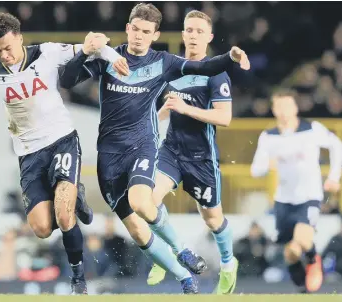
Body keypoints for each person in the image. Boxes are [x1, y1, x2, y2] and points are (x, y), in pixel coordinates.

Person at [60, 3, 250, 294]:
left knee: (164, 207)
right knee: (140, 222)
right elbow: (67, 80)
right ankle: (184, 275)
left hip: (164, 150)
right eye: (134, 29)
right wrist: (86, 50)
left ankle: (208, 257)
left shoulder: (165, 63)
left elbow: (208, 71)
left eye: (146, 31)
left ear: (155, 34)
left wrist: (230, 57)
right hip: (117, 153)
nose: (138, 36)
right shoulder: (109, 57)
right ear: (127, 29)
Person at [0, 12, 129, 294]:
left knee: (63, 215)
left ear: (20, 39)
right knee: (41, 228)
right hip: (28, 154)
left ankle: (78, 280)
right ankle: (75, 196)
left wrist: (113, 57)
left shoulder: (47, 53)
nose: (5, 55)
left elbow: (93, 44)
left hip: (61, 140)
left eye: (8, 48)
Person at [150, 10, 239, 294]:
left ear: (209, 37)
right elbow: (161, 112)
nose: (193, 35)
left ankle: (228, 264)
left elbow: (224, 118)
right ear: (183, 33)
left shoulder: (216, 72)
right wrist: (161, 113)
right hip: (172, 151)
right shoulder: (172, 68)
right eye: (189, 30)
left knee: (212, 219)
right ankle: (164, 254)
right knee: (147, 200)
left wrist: (185, 108)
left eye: (200, 31)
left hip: (202, 159)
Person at [251, 89, 342, 293]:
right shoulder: (268, 136)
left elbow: (337, 146)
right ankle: (304, 290)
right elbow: (256, 169)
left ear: (295, 108)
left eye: (287, 106)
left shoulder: (312, 129)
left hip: (309, 197)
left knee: (303, 239)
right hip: (283, 201)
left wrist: (334, 177)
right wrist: (268, 163)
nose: (283, 111)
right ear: (273, 110)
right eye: (279, 107)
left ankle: (313, 259)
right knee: (291, 252)